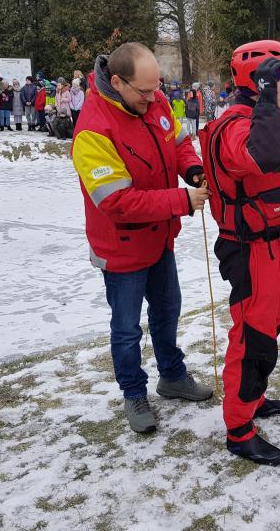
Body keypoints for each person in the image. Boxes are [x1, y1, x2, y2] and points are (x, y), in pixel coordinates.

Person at [71, 42, 212, 434]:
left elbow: (179, 142)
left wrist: (194, 170)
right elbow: (116, 201)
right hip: (121, 248)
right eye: (145, 92)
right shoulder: (93, 130)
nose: (154, 99)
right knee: (128, 328)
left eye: (157, 90)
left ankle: (172, 375)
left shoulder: (155, 102)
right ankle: (134, 392)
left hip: (160, 238)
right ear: (117, 82)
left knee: (168, 311)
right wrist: (181, 199)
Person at [200, 40, 280, 466]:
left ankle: (253, 398)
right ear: (260, 81)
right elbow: (259, 157)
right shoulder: (238, 126)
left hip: (268, 244)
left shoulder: (259, 118)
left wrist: (274, 101)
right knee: (251, 336)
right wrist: (266, 94)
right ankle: (239, 428)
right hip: (247, 248)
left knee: (268, 327)